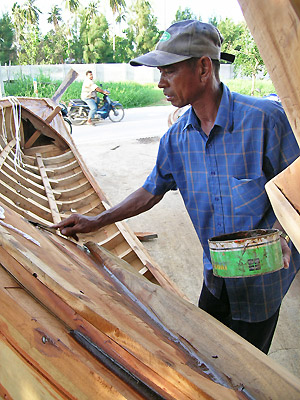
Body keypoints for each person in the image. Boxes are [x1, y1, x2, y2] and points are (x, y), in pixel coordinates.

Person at [53, 20, 300, 354]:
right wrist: (97, 221)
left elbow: (297, 190)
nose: (160, 83)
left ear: (203, 67)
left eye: (168, 70)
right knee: (208, 356)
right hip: (216, 275)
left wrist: (284, 237)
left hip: (262, 284)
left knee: (249, 369)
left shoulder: (265, 120)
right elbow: (150, 191)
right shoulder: (176, 139)